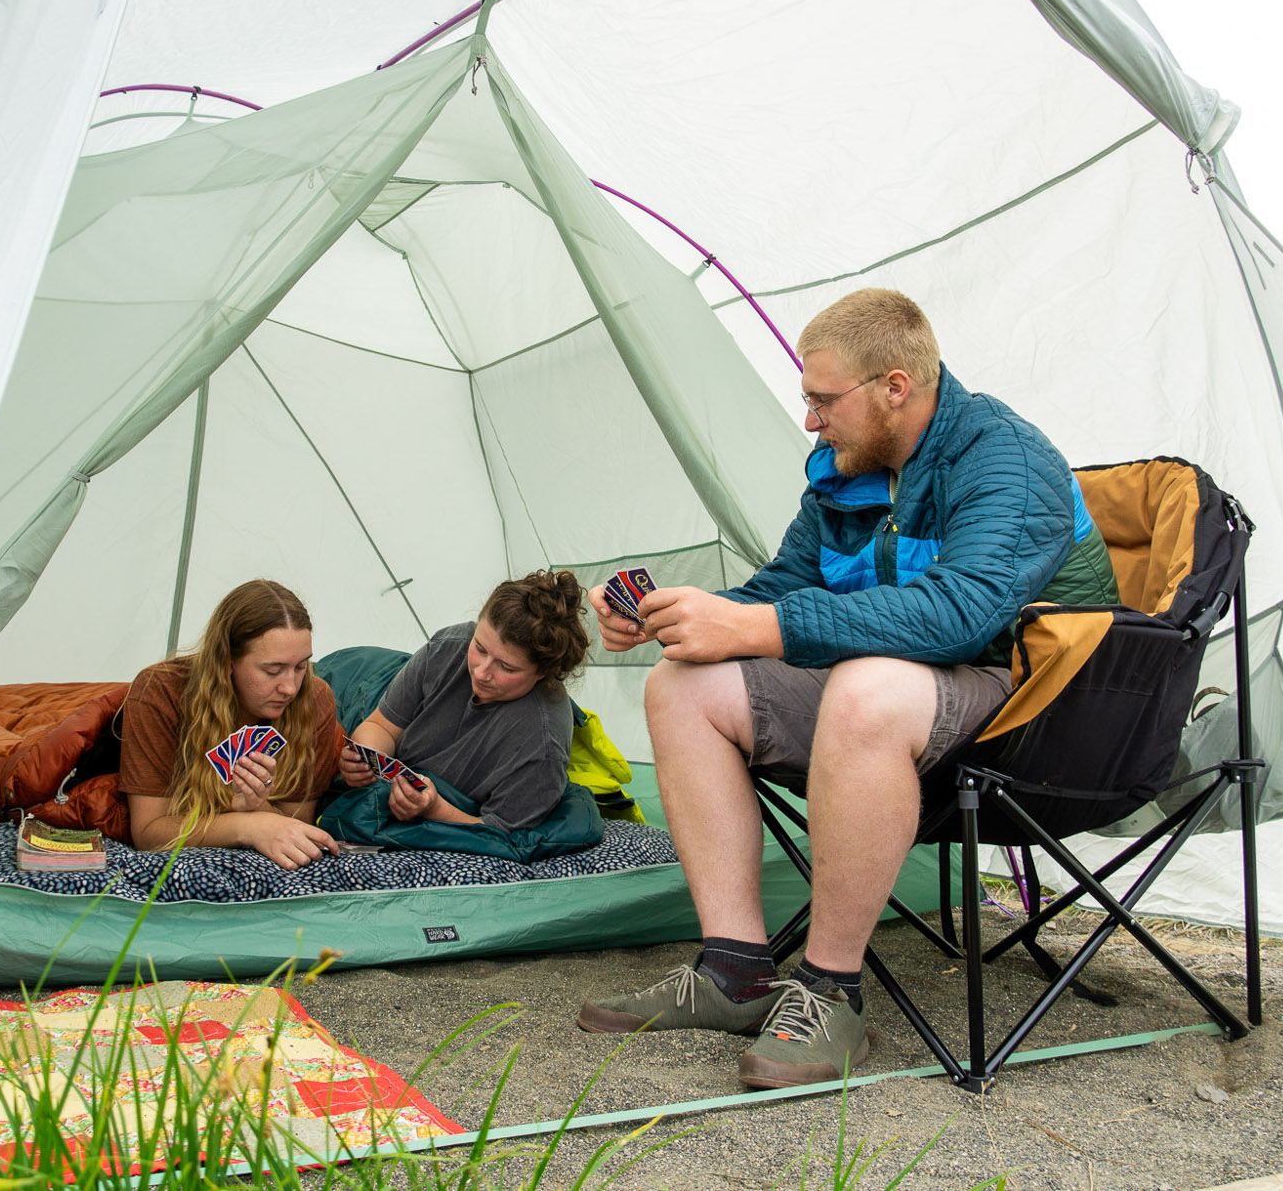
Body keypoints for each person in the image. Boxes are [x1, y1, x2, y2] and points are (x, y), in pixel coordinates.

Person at [576, 287, 1118, 1088]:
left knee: (865, 686)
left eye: (823, 400)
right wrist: (681, 617)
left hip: (1032, 702)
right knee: (682, 684)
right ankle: (736, 971)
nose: (811, 421)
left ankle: (831, 989)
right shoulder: (844, 473)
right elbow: (787, 586)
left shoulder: (1007, 459)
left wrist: (757, 629)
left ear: (895, 387)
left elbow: (960, 616)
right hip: (906, 694)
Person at [119, 579, 349, 869]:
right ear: (225, 660)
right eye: (273, 670)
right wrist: (247, 825)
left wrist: (255, 807)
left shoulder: (314, 699)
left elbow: (295, 826)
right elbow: (148, 834)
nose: (290, 687)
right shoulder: (160, 690)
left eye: (301, 666)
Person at [338, 571, 588, 831]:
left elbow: (501, 832)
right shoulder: (449, 646)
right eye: (479, 648)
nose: (481, 672)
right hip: (367, 676)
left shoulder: (542, 744)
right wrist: (366, 759)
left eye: (506, 667)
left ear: (542, 673)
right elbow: (380, 726)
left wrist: (435, 809)